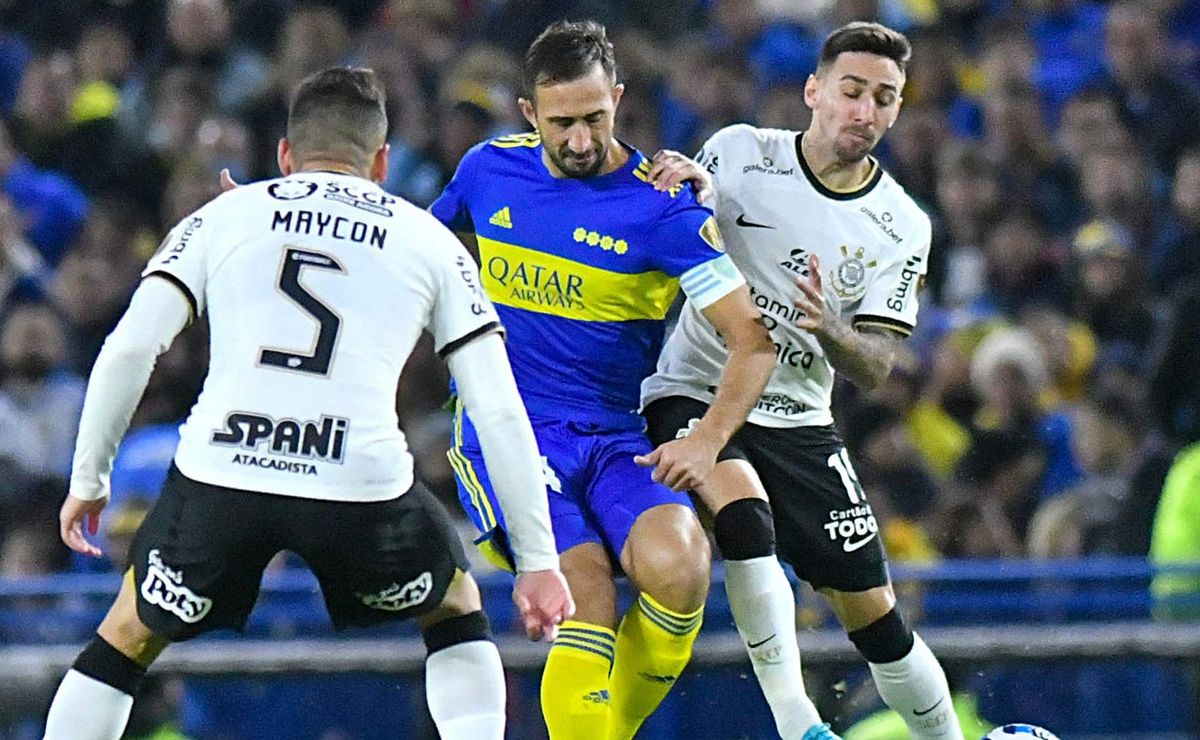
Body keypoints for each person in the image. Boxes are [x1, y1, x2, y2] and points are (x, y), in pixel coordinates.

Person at [43, 66, 573, 740]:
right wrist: (538, 562)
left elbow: (126, 350)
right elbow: (498, 408)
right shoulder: (428, 239)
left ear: (285, 156)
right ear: (381, 161)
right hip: (357, 479)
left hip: (224, 470)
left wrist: (89, 479)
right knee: (452, 607)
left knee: (127, 633)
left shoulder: (225, 213)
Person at [429, 20, 779, 740]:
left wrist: (710, 440)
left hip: (615, 435)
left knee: (681, 567)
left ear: (617, 99)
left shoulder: (662, 207)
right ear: (529, 113)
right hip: (509, 430)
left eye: (596, 117)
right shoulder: (488, 170)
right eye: (563, 123)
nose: (582, 140)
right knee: (582, 590)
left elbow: (752, 339)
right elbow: (409, 247)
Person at [643, 22, 962, 739]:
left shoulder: (901, 224)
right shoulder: (738, 154)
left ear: (898, 110)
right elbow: (669, 224)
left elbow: (878, 366)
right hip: (696, 384)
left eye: (884, 99)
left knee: (876, 619)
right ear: (815, 92)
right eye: (852, 91)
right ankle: (797, 722)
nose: (865, 111)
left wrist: (830, 329)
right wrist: (683, 194)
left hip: (800, 418)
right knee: (744, 515)